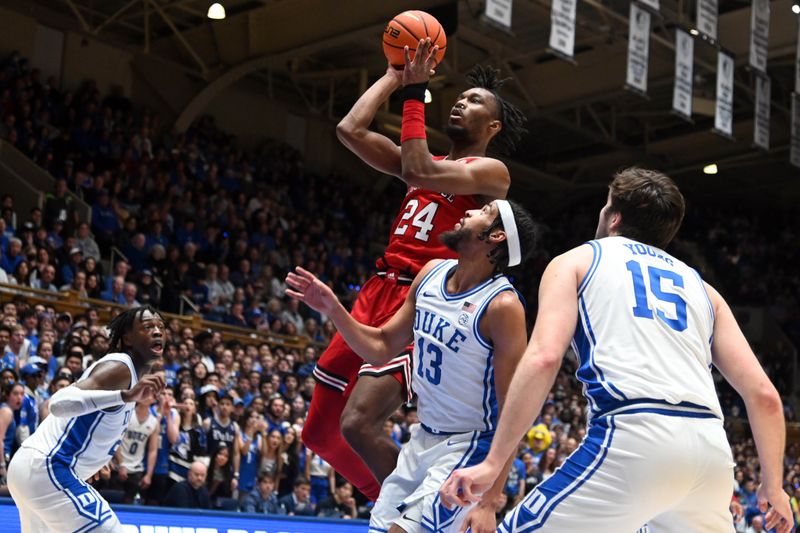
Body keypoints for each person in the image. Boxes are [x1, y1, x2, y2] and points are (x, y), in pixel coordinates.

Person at [440, 168, 794, 533]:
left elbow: (545, 357)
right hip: (711, 454)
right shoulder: (706, 291)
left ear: (615, 217)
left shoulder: (575, 261)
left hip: (634, 435)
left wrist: (493, 462)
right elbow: (764, 395)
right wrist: (774, 485)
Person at [304, 38, 527, 501]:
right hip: (376, 290)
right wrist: (395, 75)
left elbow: (419, 168)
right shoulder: (420, 162)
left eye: (474, 102)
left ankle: (421, 517)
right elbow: (349, 129)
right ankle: (389, 508)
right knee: (320, 435)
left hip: (424, 303)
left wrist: (414, 95)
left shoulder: (491, 172)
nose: (461, 103)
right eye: (460, 97)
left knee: (359, 423)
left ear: (493, 125)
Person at [287, 199, 537, 533]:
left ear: (497, 237)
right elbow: (381, 347)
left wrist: (491, 499)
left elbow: (513, 409)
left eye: (483, 212)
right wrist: (334, 309)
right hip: (422, 440)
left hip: (470, 446)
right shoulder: (430, 273)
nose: (467, 212)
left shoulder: (502, 306)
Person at [7, 306, 166, 532]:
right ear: (127, 338)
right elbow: (59, 404)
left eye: (161, 326)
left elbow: (85, 420)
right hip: (49, 467)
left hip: (34, 468)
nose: (158, 331)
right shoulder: (119, 367)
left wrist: (94, 462)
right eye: (148, 326)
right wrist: (127, 395)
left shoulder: (128, 372)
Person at [112, 399, 159, 503]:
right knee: (112, 502)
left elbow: (153, 450)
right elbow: (116, 439)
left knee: (130, 505)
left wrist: (149, 475)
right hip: (117, 467)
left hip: (136, 470)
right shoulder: (127, 414)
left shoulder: (154, 421)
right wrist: (121, 464)